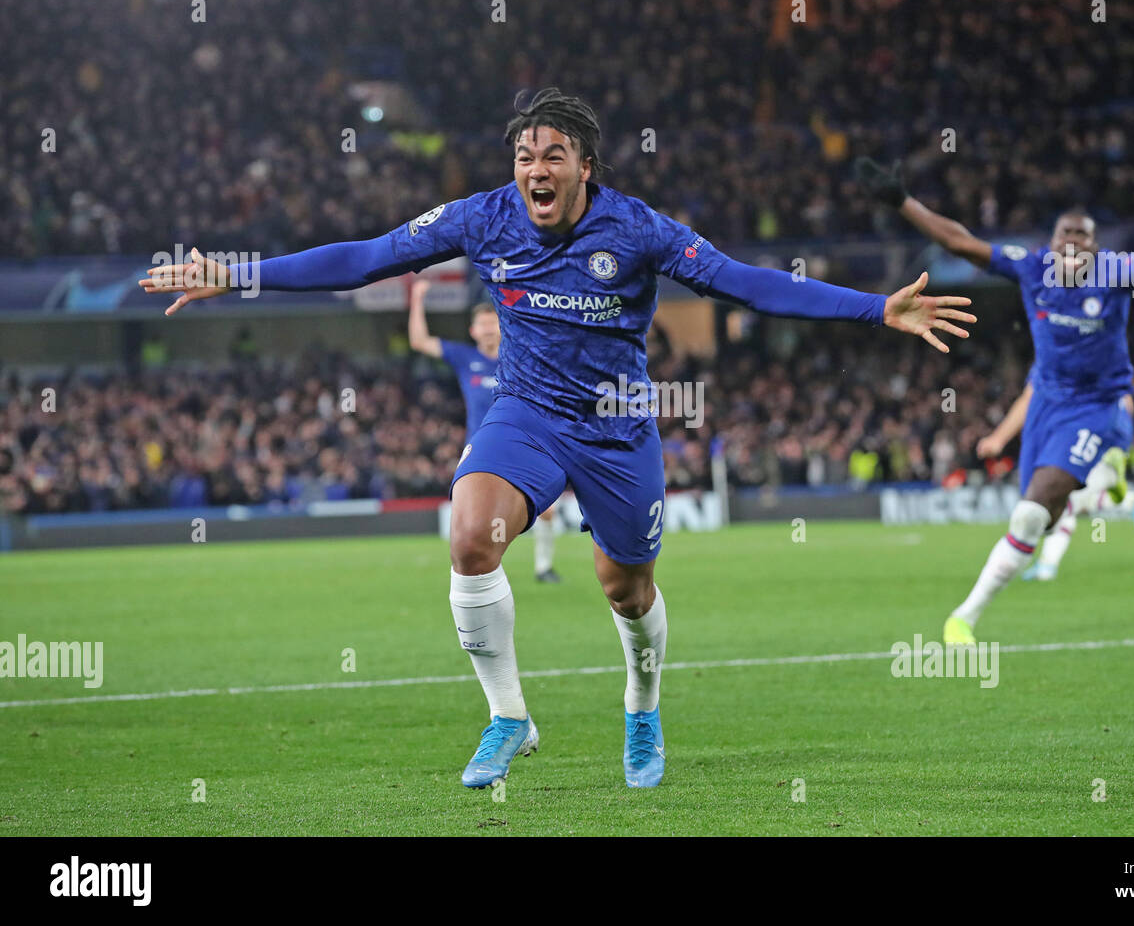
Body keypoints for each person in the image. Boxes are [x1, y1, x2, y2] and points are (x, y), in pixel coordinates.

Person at [144, 88, 975, 789]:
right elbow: (367, 257)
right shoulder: (483, 218)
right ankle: (510, 718)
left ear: (586, 166)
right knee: (469, 536)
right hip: (527, 414)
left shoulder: (639, 230)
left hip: (616, 428)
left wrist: (875, 307)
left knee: (625, 589)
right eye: (524, 156)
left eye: (553, 156)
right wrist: (238, 273)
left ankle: (642, 707)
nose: (535, 171)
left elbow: (747, 285)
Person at [855, 155, 1134, 643]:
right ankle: (1110, 482)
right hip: (1045, 406)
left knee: (1031, 511)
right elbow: (960, 241)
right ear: (1052, 242)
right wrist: (902, 201)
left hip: (1098, 408)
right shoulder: (1031, 267)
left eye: (1082, 236)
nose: (1072, 243)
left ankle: (963, 618)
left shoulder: (1116, 273)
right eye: (1065, 235)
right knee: (1045, 517)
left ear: (1095, 247)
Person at [409, 288, 561, 582]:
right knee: (472, 514)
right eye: (483, 324)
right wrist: (417, 300)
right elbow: (419, 341)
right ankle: (469, 568)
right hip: (479, 448)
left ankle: (544, 568)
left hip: (522, 442)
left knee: (548, 511)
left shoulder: (519, 357)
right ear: (473, 330)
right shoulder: (464, 357)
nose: (489, 329)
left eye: (494, 323)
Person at [975, 371, 1134, 583]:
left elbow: (1028, 399)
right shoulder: (1102, 356)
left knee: (1062, 503)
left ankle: (1047, 566)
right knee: (1069, 502)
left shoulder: (1057, 358)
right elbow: (1125, 401)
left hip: (1073, 438)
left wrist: (998, 438)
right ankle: (1129, 501)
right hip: (1091, 437)